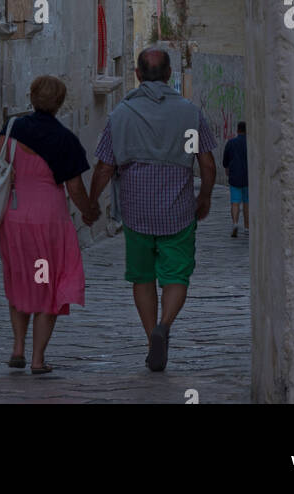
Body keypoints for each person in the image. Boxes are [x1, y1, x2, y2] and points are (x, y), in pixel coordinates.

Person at [88, 48, 216, 372]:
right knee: (176, 276)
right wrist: (206, 197)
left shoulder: (122, 115)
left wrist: (91, 203)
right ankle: (165, 325)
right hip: (178, 211)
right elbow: (207, 162)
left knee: (142, 278)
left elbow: (104, 167)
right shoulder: (189, 113)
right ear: (170, 73)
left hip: (137, 213)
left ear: (138, 74)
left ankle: (150, 339)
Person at [0, 74, 99, 376]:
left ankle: (18, 348)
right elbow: (75, 189)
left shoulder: (11, 128)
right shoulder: (65, 140)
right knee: (46, 285)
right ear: (59, 103)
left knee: (20, 280)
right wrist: (90, 211)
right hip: (48, 222)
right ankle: (37, 359)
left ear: (32, 97)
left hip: (14, 218)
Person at [222, 120, 248, 237]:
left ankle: (235, 223)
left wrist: (227, 169)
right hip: (248, 177)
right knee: (247, 202)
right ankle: (247, 227)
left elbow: (225, 160)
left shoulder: (231, 143)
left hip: (234, 176)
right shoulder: (250, 142)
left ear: (237, 130)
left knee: (235, 202)